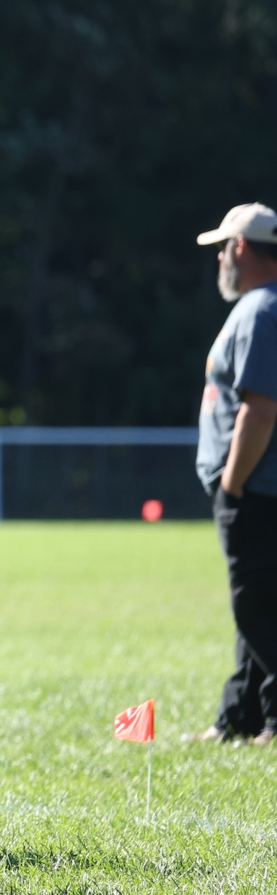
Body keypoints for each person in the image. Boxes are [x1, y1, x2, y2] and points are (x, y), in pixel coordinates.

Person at [192, 203, 277, 744]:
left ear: (241, 248)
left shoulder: (261, 311)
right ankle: (239, 716)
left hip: (256, 488)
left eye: (224, 247)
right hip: (261, 487)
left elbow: (260, 407)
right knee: (259, 603)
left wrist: (232, 483)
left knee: (257, 605)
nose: (221, 257)